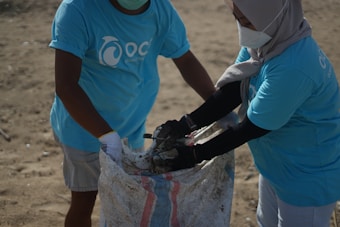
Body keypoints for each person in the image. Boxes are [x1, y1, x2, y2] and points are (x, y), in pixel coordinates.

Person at [152, 0, 340, 226]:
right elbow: (235, 90)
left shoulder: (294, 66)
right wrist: (185, 124)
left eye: (247, 21)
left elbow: (251, 128)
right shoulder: (268, 39)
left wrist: (195, 155)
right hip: (277, 165)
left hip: (306, 176)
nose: (243, 29)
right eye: (238, 19)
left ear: (271, 16)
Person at [48, 0, 216, 226]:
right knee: (84, 200)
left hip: (131, 126)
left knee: (129, 201)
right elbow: (66, 86)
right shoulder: (78, 9)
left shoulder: (160, 9)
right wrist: (106, 136)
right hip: (83, 129)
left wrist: (217, 105)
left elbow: (184, 58)